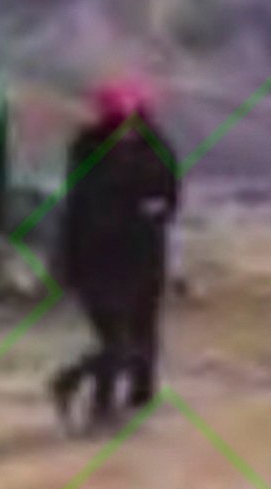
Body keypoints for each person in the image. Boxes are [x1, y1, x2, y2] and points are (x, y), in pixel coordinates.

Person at [47, 75, 181, 433]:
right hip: (98, 259)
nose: (123, 127)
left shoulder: (156, 150)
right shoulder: (87, 150)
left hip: (145, 257)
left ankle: (137, 397)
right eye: (116, 120)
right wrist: (66, 265)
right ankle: (95, 403)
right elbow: (80, 206)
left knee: (142, 335)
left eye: (129, 119)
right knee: (116, 340)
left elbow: (170, 195)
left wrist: (154, 212)